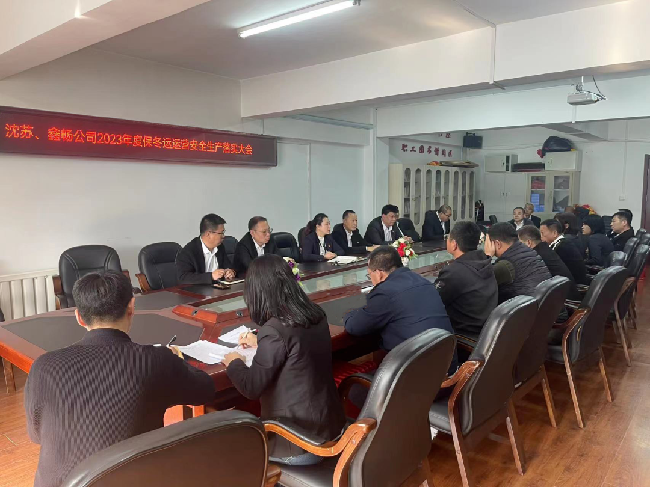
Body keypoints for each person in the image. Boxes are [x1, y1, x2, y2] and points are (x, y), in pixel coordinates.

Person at [24, 271, 215, 487]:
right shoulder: (154, 360)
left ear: (79, 317)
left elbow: (36, 435)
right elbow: (205, 390)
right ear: (131, 308)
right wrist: (177, 359)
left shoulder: (43, 366)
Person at [223, 255, 345, 465]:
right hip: (331, 428)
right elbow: (296, 349)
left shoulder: (273, 330)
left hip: (297, 442)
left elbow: (251, 387)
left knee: (227, 452)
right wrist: (261, 342)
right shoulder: (315, 313)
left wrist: (234, 362)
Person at [343, 246, 458, 374]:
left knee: (353, 385)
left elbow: (355, 327)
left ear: (379, 273)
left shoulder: (385, 292)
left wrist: (349, 314)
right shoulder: (423, 281)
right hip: (449, 369)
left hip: (419, 377)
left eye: (369, 274)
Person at [435, 221, 498, 337]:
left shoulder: (453, 272)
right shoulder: (485, 262)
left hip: (463, 337)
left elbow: (434, 302)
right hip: (485, 331)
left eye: (448, 238)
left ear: (454, 244)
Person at [484, 223, 551, 304]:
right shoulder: (529, 251)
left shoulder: (505, 265)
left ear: (497, 244)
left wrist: (487, 256)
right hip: (543, 306)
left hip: (527, 309)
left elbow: (481, 282)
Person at [518, 225, 581, 301]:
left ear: (528, 242)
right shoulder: (545, 249)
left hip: (565, 301)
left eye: (520, 243)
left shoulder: (535, 257)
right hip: (568, 294)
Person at [176, 213, 236, 284]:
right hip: (197, 289)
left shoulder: (219, 246)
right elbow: (183, 277)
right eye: (221, 233)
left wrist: (229, 271)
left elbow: (228, 266)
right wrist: (211, 276)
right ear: (208, 234)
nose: (223, 236)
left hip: (218, 288)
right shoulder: (188, 252)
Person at [540, 219, 589, 285]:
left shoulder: (562, 247)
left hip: (574, 285)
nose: (541, 236)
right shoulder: (562, 242)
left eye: (542, 233)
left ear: (554, 233)